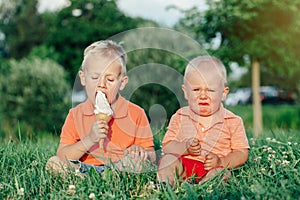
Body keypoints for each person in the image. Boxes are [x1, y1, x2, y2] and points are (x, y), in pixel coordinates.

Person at [46, 40, 155, 175]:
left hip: (120, 168)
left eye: (110, 80)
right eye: (95, 77)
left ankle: (110, 178)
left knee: (140, 164)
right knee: (54, 163)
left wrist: (141, 152)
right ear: (83, 78)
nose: (101, 84)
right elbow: (62, 154)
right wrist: (89, 139)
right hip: (85, 168)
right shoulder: (76, 114)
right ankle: (86, 179)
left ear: (122, 83)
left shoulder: (136, 113)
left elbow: (151, 154)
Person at [157, 55, 249, 186]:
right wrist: (185, 147)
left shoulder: (233, 121)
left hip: (212, 167)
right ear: (186, 92)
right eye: (196, 90)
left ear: (223, 93)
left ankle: (202, 187)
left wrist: (221, 161)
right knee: (168, 160)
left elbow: (241, 153)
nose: (203, 96)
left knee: (221, 173)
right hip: (184, 166)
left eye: (210, 90)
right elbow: (167, 147)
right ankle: (165, 184)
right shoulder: (180, 116)